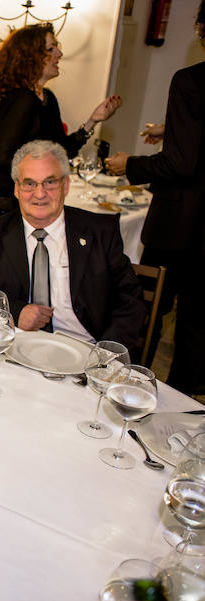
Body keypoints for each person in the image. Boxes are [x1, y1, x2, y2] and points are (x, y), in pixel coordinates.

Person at [103, 2, 205, 395]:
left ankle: (133, 391)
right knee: (198, 325)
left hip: (182, 225)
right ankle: (188, 403)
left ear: (199, 27)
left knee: (150, 309)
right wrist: (173, 129)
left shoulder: (190, 81)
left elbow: (182, 165)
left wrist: (132, 164)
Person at [0, 140, 145, 347]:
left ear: (65, 185)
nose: (39, 194)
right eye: (29, 183)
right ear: (16, 189)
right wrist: (15, 312)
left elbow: (131, 300)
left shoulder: (99, 231)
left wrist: (106, 352)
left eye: (50, 182)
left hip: (85, 348)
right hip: (17, 347)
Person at [0, 23, 122, 217]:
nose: (59, 53)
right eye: (51, 49)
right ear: (30, 57)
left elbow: (62, 150)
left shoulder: (47, 98)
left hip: (28, 201)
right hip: (4, 204)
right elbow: (2, 159)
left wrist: (92, 121)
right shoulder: (22, 100)